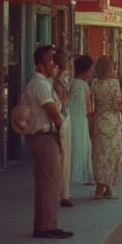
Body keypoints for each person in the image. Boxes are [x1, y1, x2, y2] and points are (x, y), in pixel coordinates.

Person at [21, 45, 72, 240]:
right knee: (50, 182)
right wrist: (60, 126)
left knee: (47, 182)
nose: (55, 65)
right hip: (43, 135)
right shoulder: (39, 84)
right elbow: (51, 109)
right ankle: (47, 225)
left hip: (44, 135)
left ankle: (45, 223)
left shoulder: (45, 82)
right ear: (42, 63)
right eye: (51, 61)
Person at [90, 56, 122, 199]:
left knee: (100, 155)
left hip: (99, 120)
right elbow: (117, 106)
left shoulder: (95, 84)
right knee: (111, 155)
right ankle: (105, 188)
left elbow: (93, 104)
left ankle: (103, 188)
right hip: (113, 122)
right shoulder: (114, 83)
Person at [69, 55, 94, 186]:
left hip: (71, 119)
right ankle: (83, 175)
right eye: (91, 69)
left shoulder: (72, 83)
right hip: (80, 120)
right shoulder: (83, 85)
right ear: (85, 71)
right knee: (82, 147)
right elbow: (89, 108)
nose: (92, 72)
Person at [53, 51, 74, 209]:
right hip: (59, 121)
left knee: (64, 160)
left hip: (65, 118)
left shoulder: (62, 80)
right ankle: (60, 194)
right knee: (61, 160)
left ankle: (63, 193)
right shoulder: (55, 81)